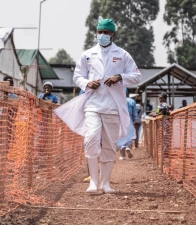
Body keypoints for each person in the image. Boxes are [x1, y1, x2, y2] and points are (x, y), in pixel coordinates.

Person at [54, 18, 141, 194]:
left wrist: (120, 77)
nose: (102, 35)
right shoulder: (87, 54)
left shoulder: (122, 54)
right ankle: (93, 182)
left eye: (106, 33)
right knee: (92, 138)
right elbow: (77, 76)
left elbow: (137, 76)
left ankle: (106, 183)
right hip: (93, 104)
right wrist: (87, 83)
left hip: (113, 107)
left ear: (112, 34)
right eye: (99, 32)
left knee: (109, 144)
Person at [117, 89, 137, 160]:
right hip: (129, 120)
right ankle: (128, 147)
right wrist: (134, 120)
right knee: (129, 135)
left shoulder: (117, 100)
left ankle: (122, 155)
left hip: (119, 121)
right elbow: (135, 113)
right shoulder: (131, 101)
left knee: (121, 136)